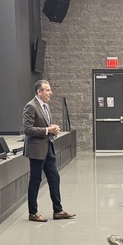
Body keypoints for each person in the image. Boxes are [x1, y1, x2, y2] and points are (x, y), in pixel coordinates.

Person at [22, 80, 75, 222]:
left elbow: (45, 127)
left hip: (48, 148)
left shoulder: (46, 106)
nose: (50, 93)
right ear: (39, 92)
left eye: (50, 90)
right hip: (36, 150)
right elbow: (27, 129)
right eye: (47, 90)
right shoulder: (31, 106)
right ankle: (33, 213)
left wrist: (53, 130)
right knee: (35, 180)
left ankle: (58, 210)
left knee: (54, 178)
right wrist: (47, 130)